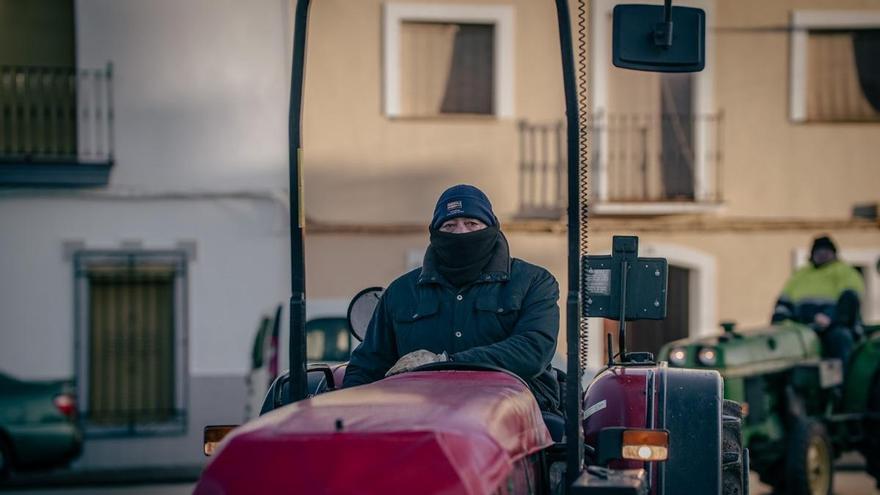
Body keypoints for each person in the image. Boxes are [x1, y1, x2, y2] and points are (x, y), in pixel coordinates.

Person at [342, 184, 561, 414]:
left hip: (516, 415)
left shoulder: (533, 282)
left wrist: (443, 363)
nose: (461, 233)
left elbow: (533, 350)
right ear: (435, 233)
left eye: (472, 224)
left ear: (492, 228)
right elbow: (367, 365)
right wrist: (346, 416)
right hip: (419, 417)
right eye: (449, 225)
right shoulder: (401, 293)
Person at [771, 235, 864, 368]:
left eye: (826, 251)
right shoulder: (801, 275)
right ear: (812, 254)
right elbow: (784, 301)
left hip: (834, 325)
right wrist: (778, 321)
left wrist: (830, 318)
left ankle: (841, 384)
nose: (822, 255)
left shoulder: (845, 272)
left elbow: (849, 301)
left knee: (840, 339)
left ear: (833, 253)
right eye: (818, 251)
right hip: (803, 326)